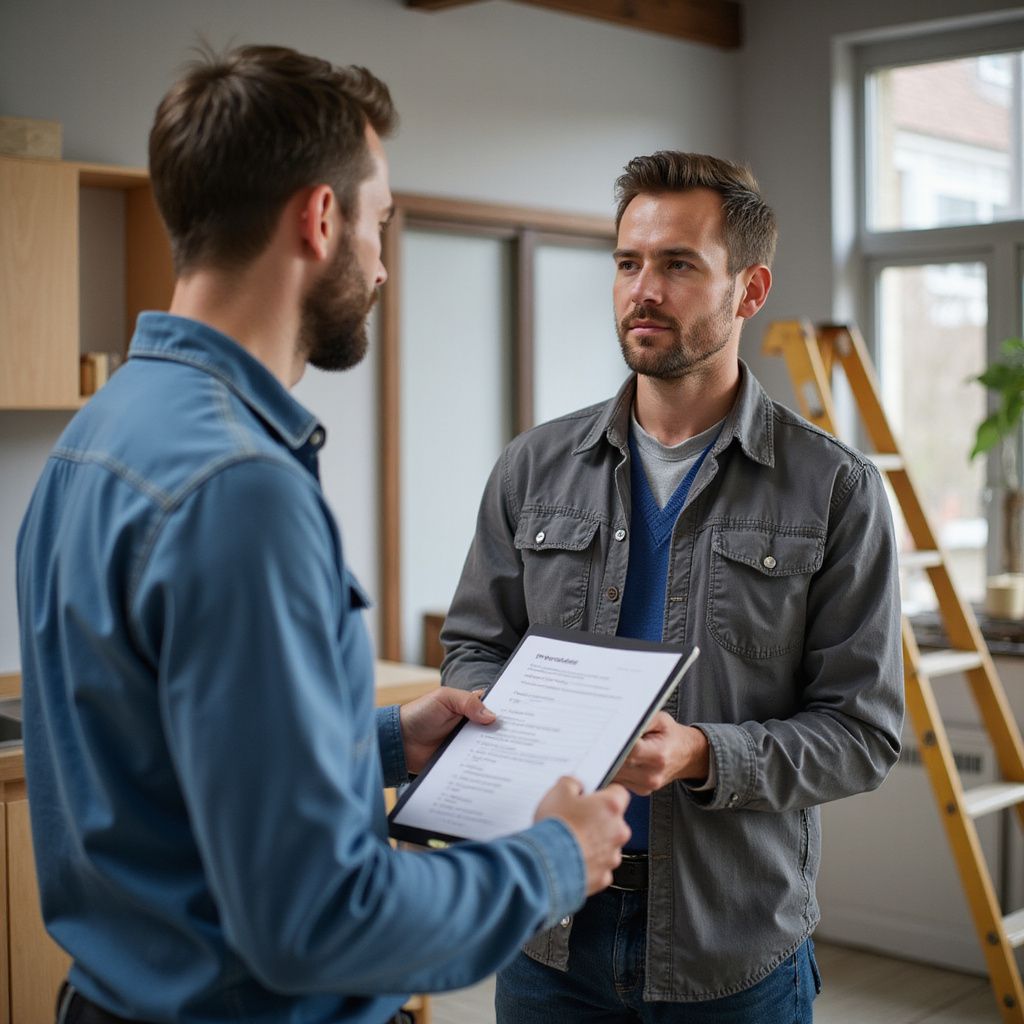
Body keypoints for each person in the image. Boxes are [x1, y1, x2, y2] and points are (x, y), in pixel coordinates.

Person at [15, 45, 632, 1024]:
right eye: (381, 222)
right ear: (319, 217)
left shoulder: (100, 433)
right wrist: (555, 857)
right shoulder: (240, 491)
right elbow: (317, 917)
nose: (383, 264)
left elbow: (162, 762)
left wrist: (383, 741)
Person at [440, 151, 904, 1023]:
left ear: (750, 289)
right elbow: (474, 646)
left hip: (731, 942)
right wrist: (499, 722)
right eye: (628, 263)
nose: (642, 290)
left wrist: (699, 754)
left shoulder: (834, 488)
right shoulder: (532, 467)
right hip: (550, 927)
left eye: (678, 264)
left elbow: (864, 732)